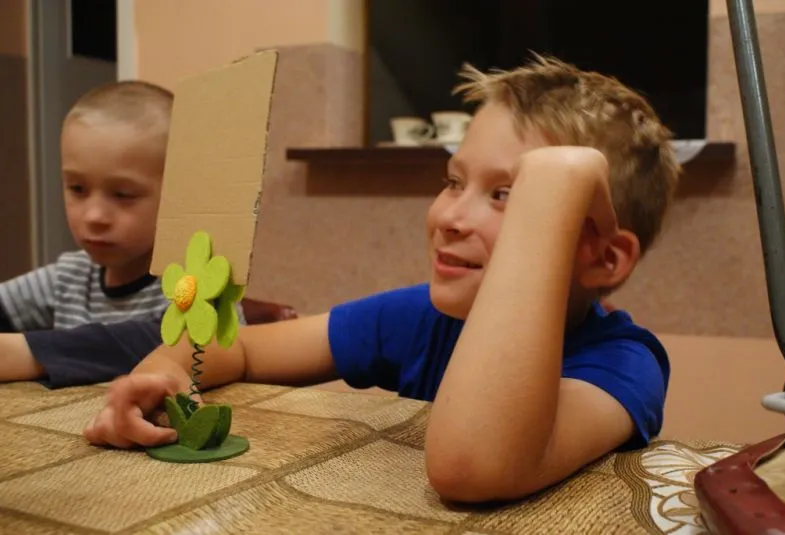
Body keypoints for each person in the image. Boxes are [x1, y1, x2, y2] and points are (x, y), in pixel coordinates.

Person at [83, 56, 680, 503]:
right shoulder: (420, 318)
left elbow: (472, 467)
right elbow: (239, 348)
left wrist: (556, 181)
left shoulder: (626, 364)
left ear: (605, 260)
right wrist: (164, 371)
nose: (448, 217)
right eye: (453, 181)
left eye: (507, 196)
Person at [0, 81, 174, 387]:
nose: (94, 216)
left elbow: (180, 346)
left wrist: (29, 352)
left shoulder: (190, 283)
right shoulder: (70, 275)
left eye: (122, 194)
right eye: (78, 189)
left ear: (177, 194)